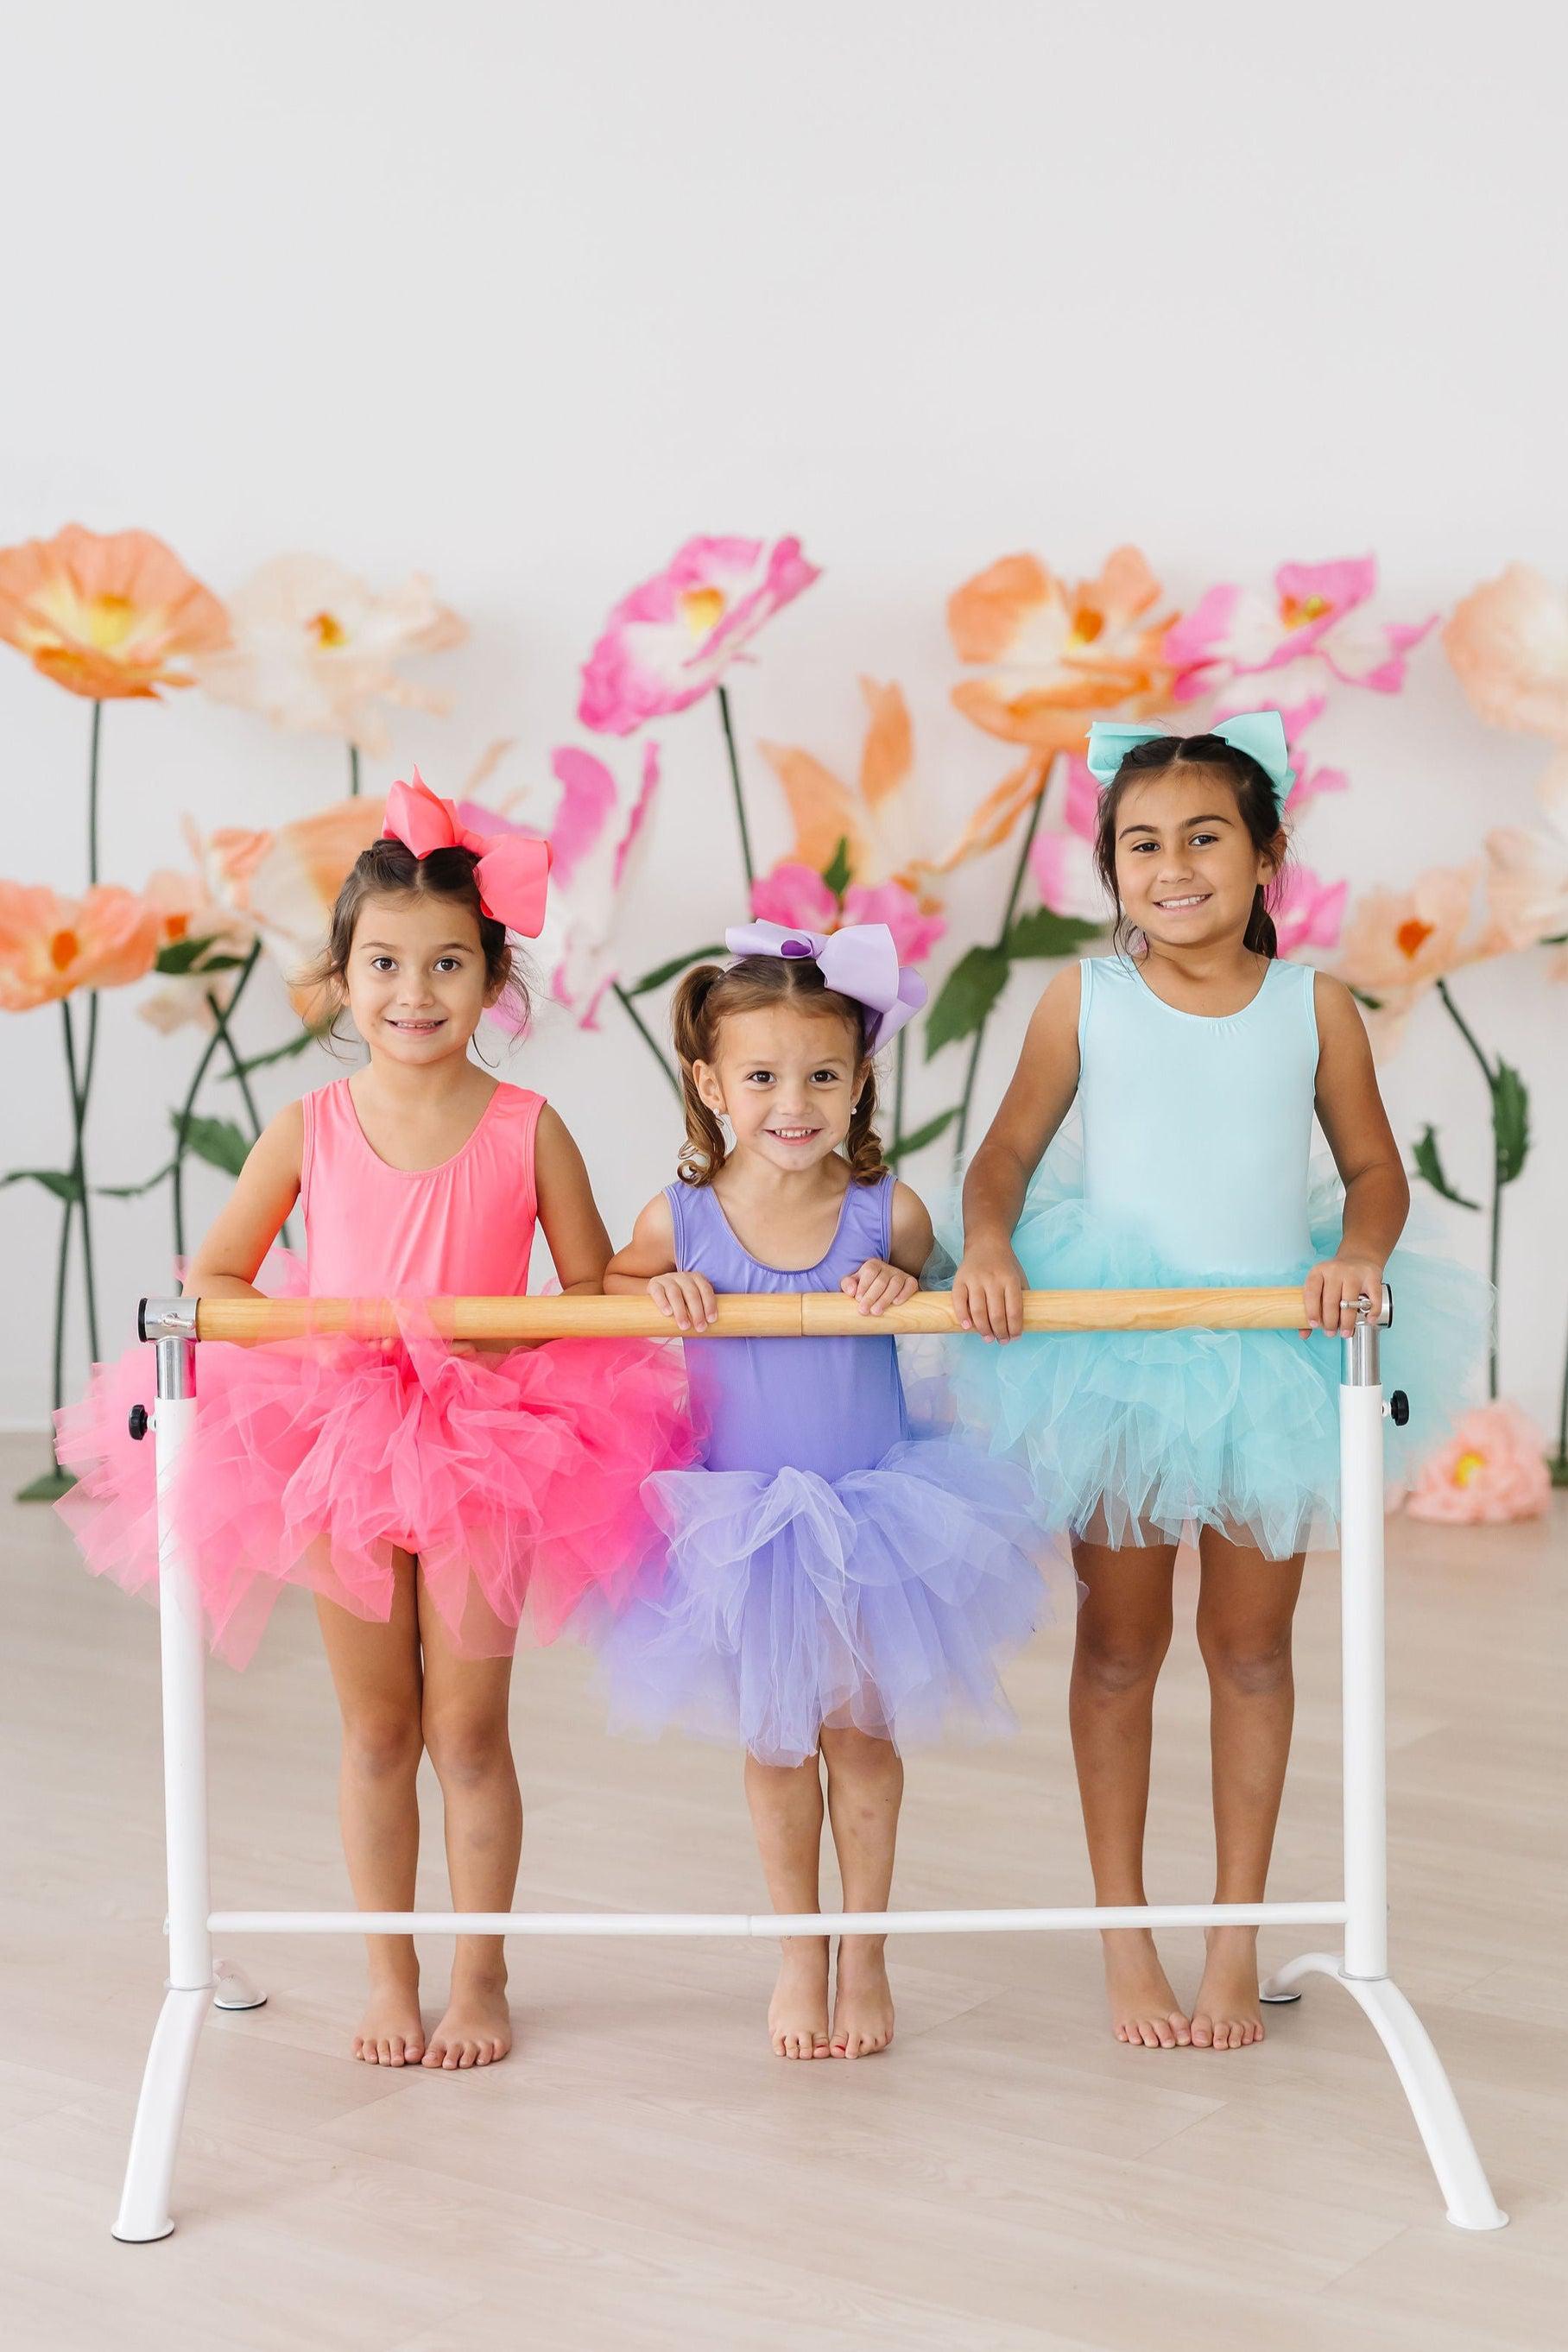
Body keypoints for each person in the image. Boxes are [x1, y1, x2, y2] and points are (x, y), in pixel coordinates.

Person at [57, 774, 693, 2070]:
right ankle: (390, 1975)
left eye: (449, 963)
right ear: (341, 979)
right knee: (379, 1729)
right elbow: (218, 1278)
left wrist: (617, 1294)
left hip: (490, 1439)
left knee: (467, 1729)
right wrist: (324, 1327)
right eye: (386, 964)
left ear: (493, 979)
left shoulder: (527, 1127)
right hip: (337, 1435)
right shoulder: (309, 1127)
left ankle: (481, 1976)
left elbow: (586, 1293)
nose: (416, 992)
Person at [951, 713, 1487, 2052]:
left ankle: (1235, 1935)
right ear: (1111, 868)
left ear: (1266, 857)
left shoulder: (1315, 1007)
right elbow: (1004, 1155)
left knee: (1251, 1650)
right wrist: (990, 1243)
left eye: (1204, 837)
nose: (1173, 866)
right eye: (1142, 844)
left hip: (1266, 1349)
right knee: (1118, 1647)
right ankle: (1123, 1934)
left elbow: (1373, 1169)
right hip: (1117, 1349)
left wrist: (1359, 1254)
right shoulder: (1085, 1000)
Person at [591, 921, 1050, 2060]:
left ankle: (866, 1950)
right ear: (710, 1086)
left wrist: (904, 1280)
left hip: (875, 1521)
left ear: (859, 1083)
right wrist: (657, 1295)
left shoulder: (887, 1210)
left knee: (866, 1742)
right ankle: (800, 1951)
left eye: (823, 1077)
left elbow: (943, 1291)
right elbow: (608, 1285)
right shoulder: (679, 1221)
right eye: (761, 1078)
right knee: (776, 1746)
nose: (793, 1104)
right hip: (741, 1525)